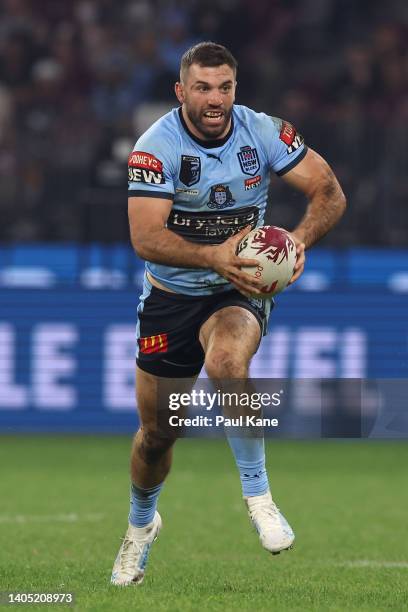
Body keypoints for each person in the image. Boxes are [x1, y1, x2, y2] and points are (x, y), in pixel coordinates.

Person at [111, 42, 346, 586]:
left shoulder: (263, 131)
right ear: (181, 92)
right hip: (170, 296)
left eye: (224, 87)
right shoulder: (156, 147)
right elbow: (144, 236)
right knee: (157, 435)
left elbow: (329, 190)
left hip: (237, 291)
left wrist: (299, 241)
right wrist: (212, 253)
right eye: (203, 88)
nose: (215, 99)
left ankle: (258, 494)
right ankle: (141, 526)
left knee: (227, 363)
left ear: (235, 90)